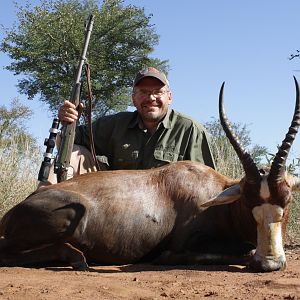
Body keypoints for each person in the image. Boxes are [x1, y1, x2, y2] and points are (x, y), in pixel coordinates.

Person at [46, 67, 215, 184]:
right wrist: (68, 121)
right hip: (117, 200)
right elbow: (64, 143)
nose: (151, 98)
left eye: (158, 92)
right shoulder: (115, 124)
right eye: (144, 92)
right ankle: (42, 214)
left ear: (169, 97)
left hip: (167, 213)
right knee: (74, 154)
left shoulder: (191, 129)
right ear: (133, 98)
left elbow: (208, 182)